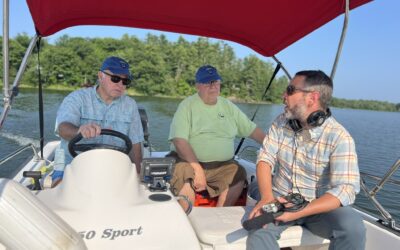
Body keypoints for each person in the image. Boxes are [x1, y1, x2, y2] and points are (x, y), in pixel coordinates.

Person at [246, 70, 365, 250]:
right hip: (279, 201)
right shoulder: (280, 123)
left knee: (353, 226)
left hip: (318, 208)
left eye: (290, 90)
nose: (283, 95)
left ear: (312, 98)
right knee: (258, 230)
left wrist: (301, 211)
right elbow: (265, 158)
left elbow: (346, 189)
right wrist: (267, 197)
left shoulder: (339, 137)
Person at [168, 65, 265, 210]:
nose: (213, 86)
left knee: (238, 173)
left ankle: (219, 215)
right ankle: (186, 217)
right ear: (198, 86)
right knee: (183, 172)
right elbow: (179, 141)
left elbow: (253, 131)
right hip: (187, 161)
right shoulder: (187, 106)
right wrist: (197, 168)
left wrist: (276, 147)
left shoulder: (228, 106)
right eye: (207, 82)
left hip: (221, 165)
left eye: (216, 82)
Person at [52, 56, 144, 184]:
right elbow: (63, 129)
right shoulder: (76, 98)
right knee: (58, 191)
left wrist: (138, 175)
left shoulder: (130, 105)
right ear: (100, 76)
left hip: (113, 168)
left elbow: (135, 144)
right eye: (115, 78)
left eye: (125, 81)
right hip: (71, 165)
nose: (120, 84)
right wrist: (80, 130)